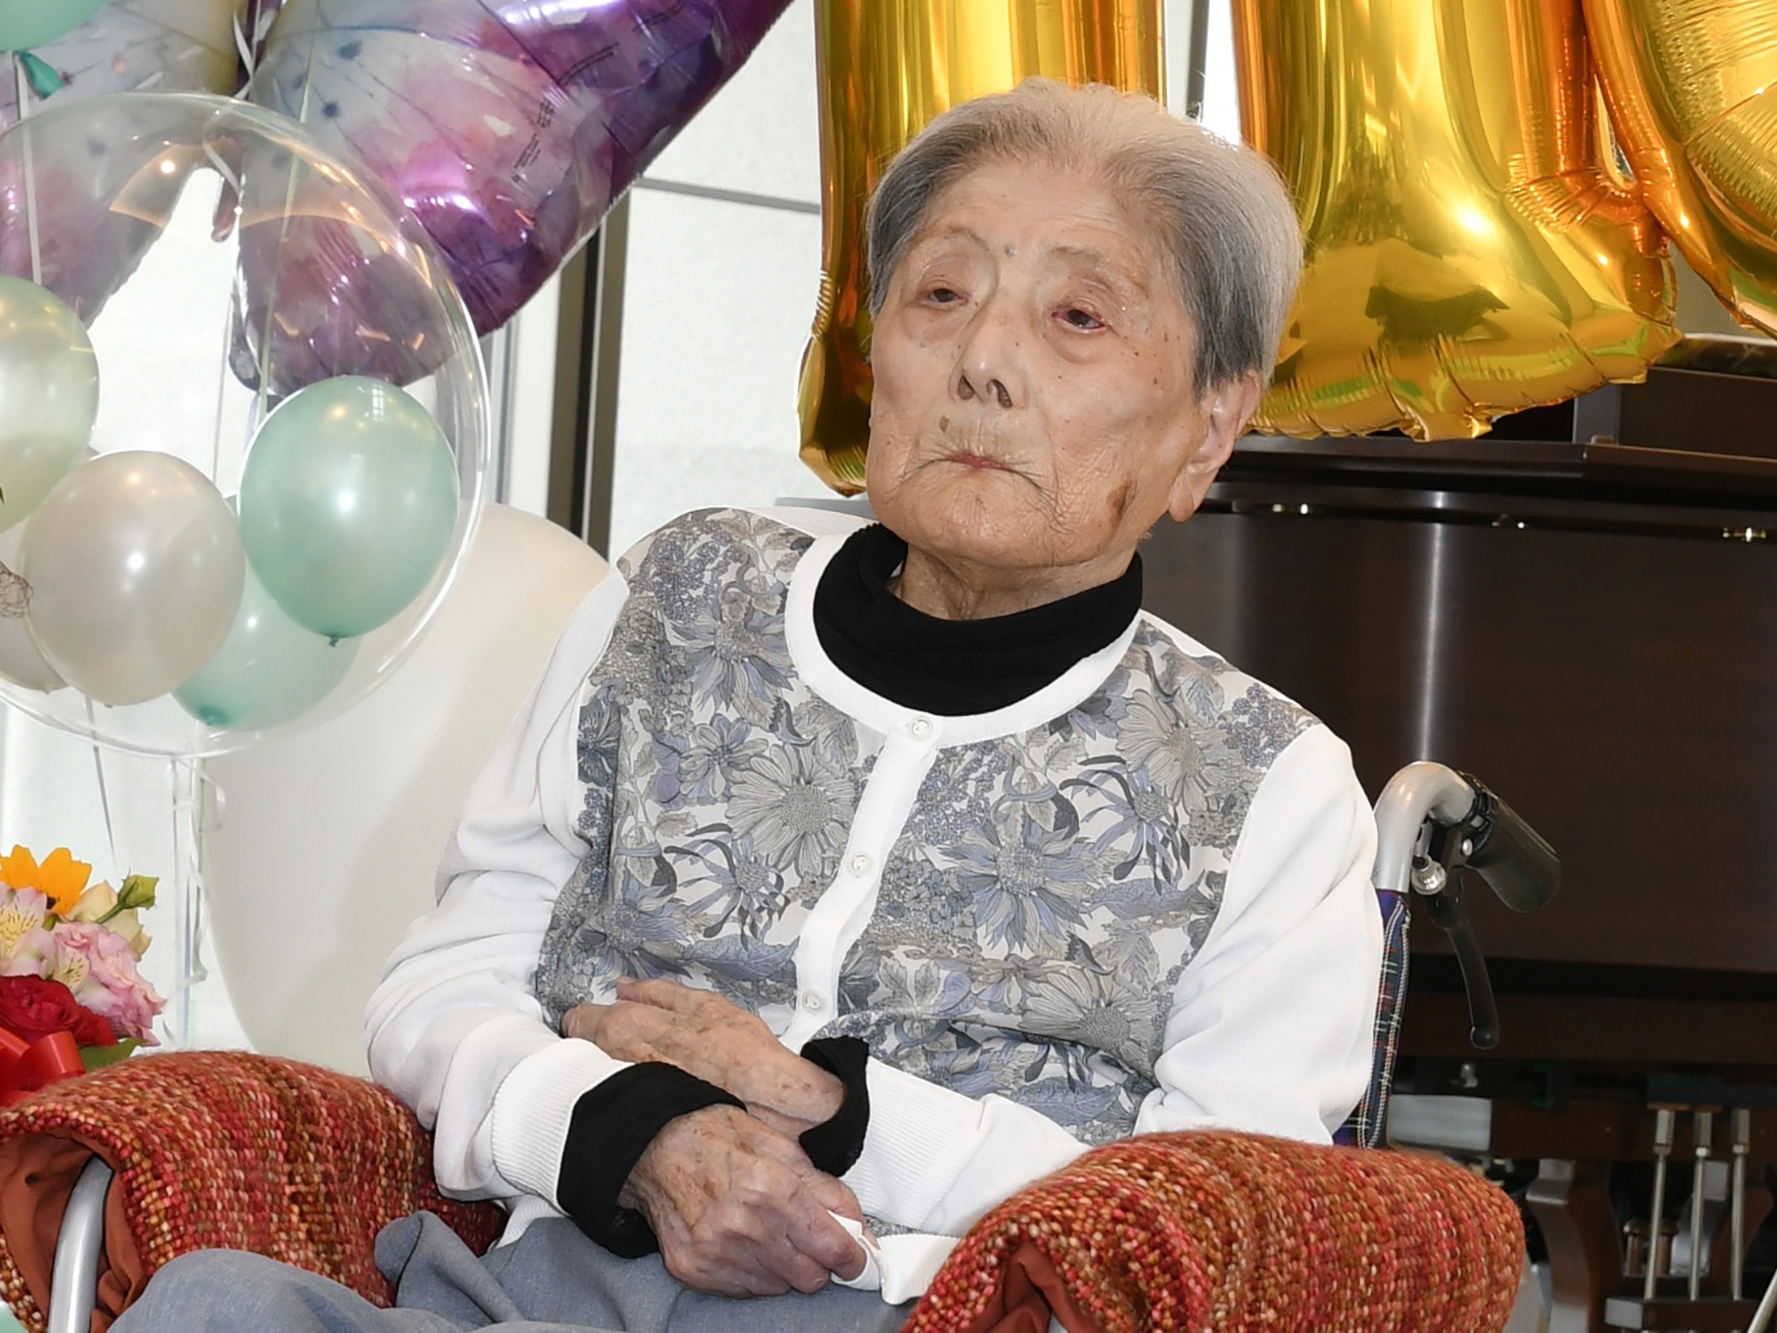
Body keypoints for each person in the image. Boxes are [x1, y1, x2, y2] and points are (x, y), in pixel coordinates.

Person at [115, 77, 1382, 1332]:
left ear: (1209, 431)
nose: (984, 363)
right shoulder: (687, 589)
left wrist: (839, 1114)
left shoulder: (1268, 784)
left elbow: (1223, 1227)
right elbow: (445, 983)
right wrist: (628, 1131)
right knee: (210, 1306)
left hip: (916, 1313)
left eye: (1079, 318)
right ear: (873, 350)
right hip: (525, 1295)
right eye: (942, 295)